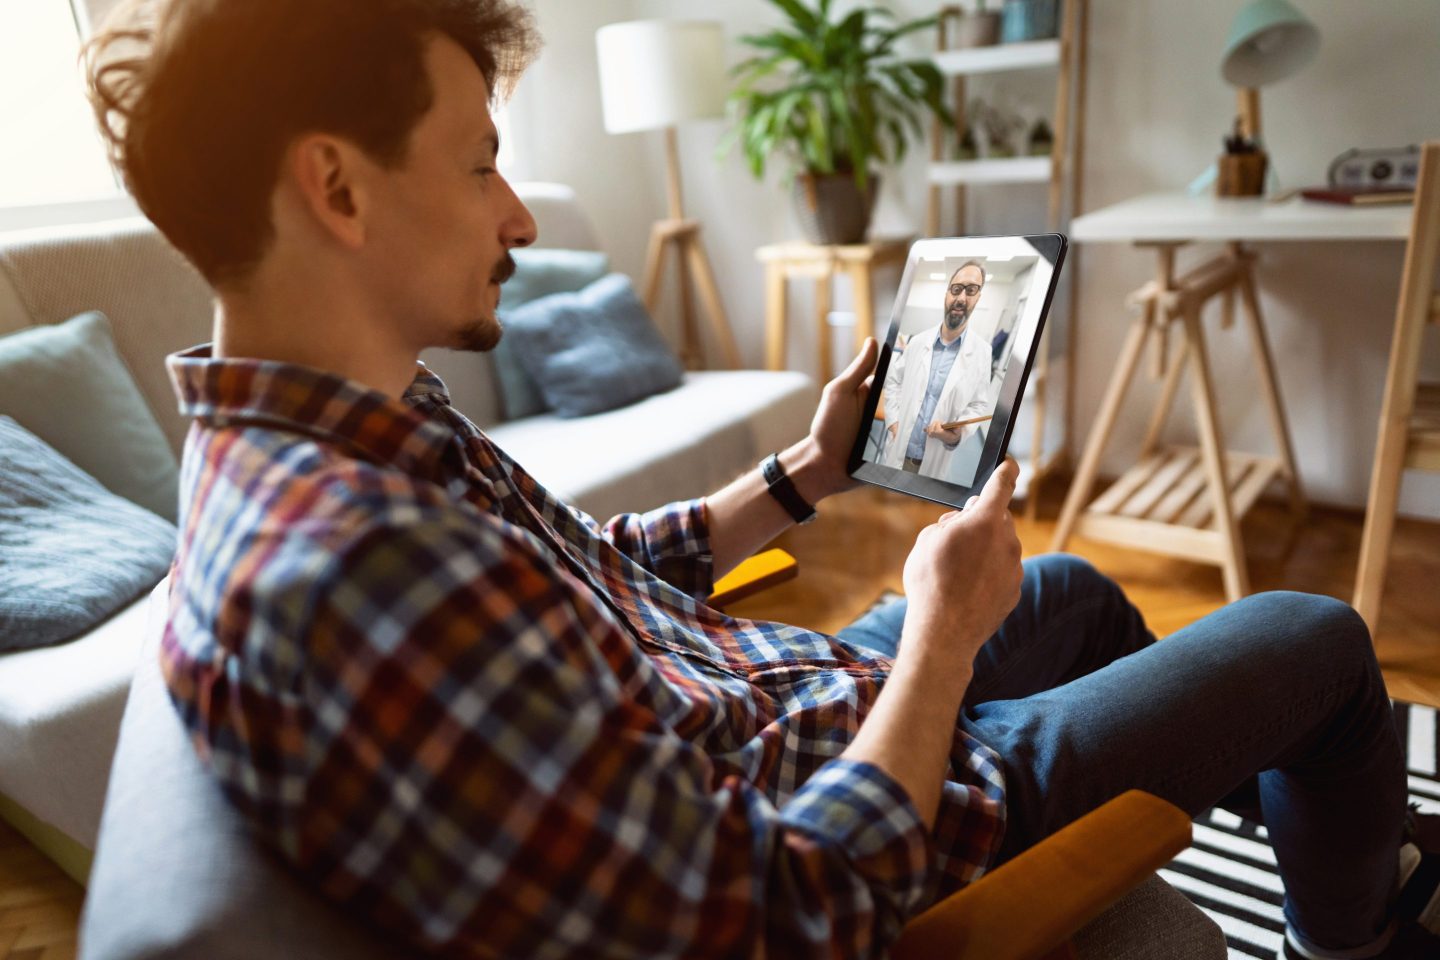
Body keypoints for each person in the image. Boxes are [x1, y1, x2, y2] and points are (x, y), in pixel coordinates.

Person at [82, 2, 1438, 958]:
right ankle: (1357, 923)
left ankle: (1276, 801)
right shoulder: (352, 571)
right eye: (482, 159)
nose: (520, 215)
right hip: (888, 814)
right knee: (1315, 640)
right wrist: (942, 639)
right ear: (335, 187)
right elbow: (785, 915)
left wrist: (806, 476)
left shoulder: (344, 429)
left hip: (773, 708)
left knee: (1074, 590)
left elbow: (586, 571)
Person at [878, 261, 994, 478]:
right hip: (897, 451)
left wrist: (956, 436)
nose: (961, 298)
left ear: (978, 298)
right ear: (947, 294)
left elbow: (978, 405)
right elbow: (893, 381)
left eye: (971, 290)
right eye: (956, 289)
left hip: (933, 460)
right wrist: (893, 422)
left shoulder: (982, 352)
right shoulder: (917, 342)